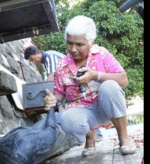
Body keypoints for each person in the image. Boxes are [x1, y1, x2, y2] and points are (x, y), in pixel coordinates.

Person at [43, 15, 136, 156]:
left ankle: (123, 137)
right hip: (83, 111)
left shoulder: (101, 54)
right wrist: (52, 100)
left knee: (109, 85)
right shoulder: (62, 64)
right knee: (66, 119)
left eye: (79, 44)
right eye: (69, 43)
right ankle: (90, 136)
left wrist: (95, 75)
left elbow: (123, 80)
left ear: (91, 42)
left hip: (106, 106)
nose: (73, 49)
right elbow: (59, 94)